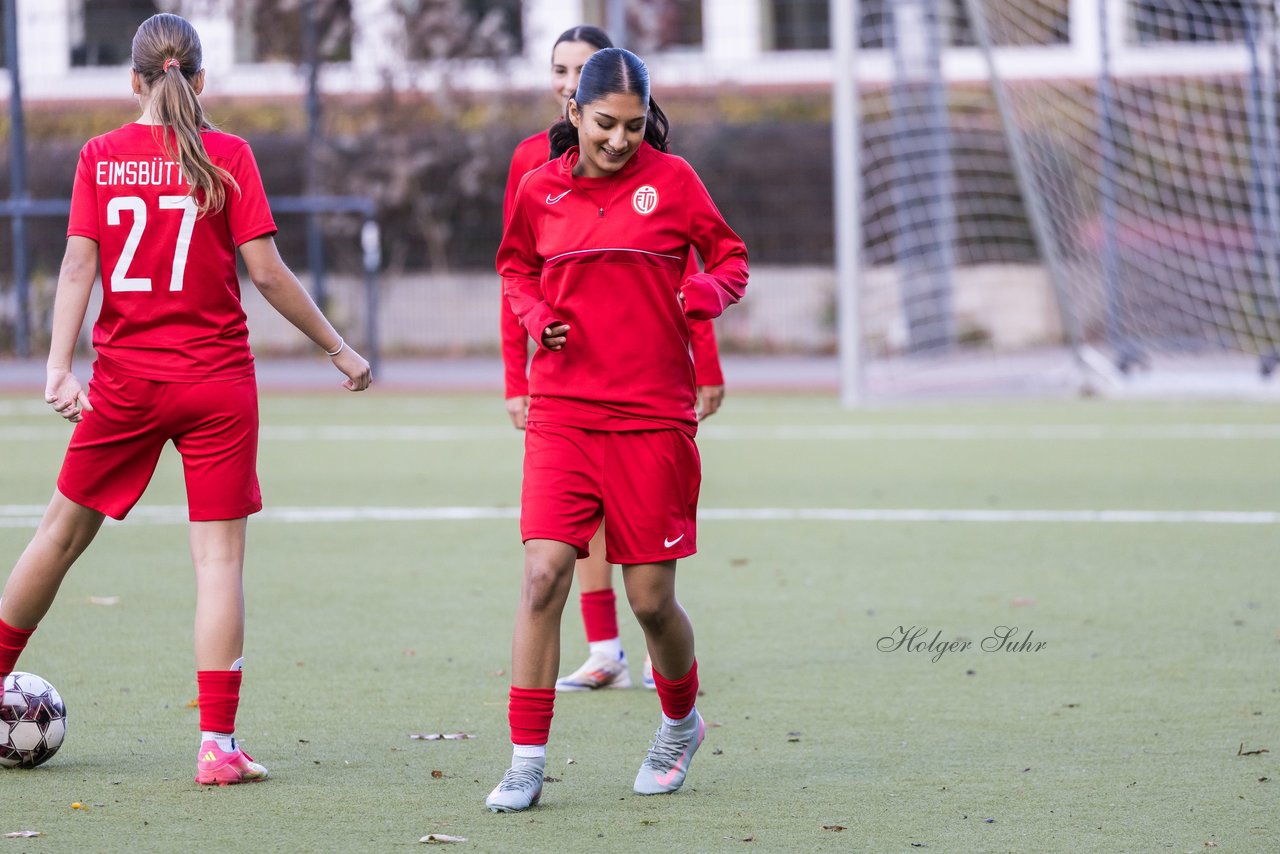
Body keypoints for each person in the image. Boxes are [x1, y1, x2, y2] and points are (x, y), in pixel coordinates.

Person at [0, 13, 370, 786]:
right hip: (217, 384)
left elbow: (76, 269)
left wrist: (60, 366)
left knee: (58, 538)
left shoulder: (101, 156)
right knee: (218, 562)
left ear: (133, 80)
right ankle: (216, 746)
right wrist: (338, 347)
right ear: (199, 80)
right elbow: (266, 275)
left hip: (127, 382)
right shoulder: (227, 153)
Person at [486, 47, 748, 812]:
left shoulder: (675, 181)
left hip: (652, 418)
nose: (620, 140)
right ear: (574, 114)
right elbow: (514, 270)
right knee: (542, 579)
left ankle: (679, 723)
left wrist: (704, 290)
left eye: (634, 127)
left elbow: (730, 257)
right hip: (564, 414)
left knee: (650, 604)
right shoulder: (538, 189)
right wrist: (538, 318)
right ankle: (526, 760)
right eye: (605, 124)